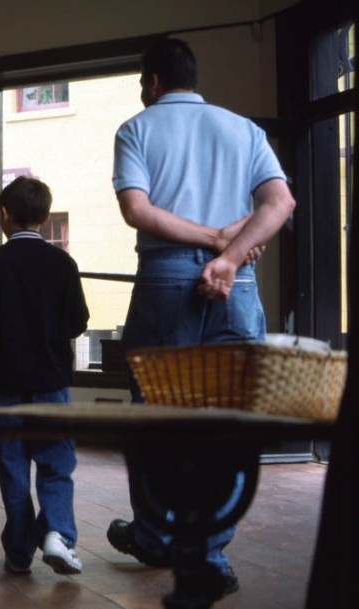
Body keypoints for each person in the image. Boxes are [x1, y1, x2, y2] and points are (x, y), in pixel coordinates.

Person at [108, 37, 296, 599]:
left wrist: (212, 240)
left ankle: (156, 535)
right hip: (234, 283)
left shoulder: (137, 128)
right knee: (228, 420)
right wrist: (229, 253)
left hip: (166, 277)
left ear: (153, 82)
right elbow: (280, 203)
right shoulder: (243, 129)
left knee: (153, 418)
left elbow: (136, 210)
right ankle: (211, 554)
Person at [0, 176, 89, 576]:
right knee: (55, 462)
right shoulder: (63, 264)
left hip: (6, 382)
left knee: (13, 466)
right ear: (46, 215)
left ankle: (19, 551)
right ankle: (57, 533)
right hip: (52, 380)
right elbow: (78, 323)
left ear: (4, 214)